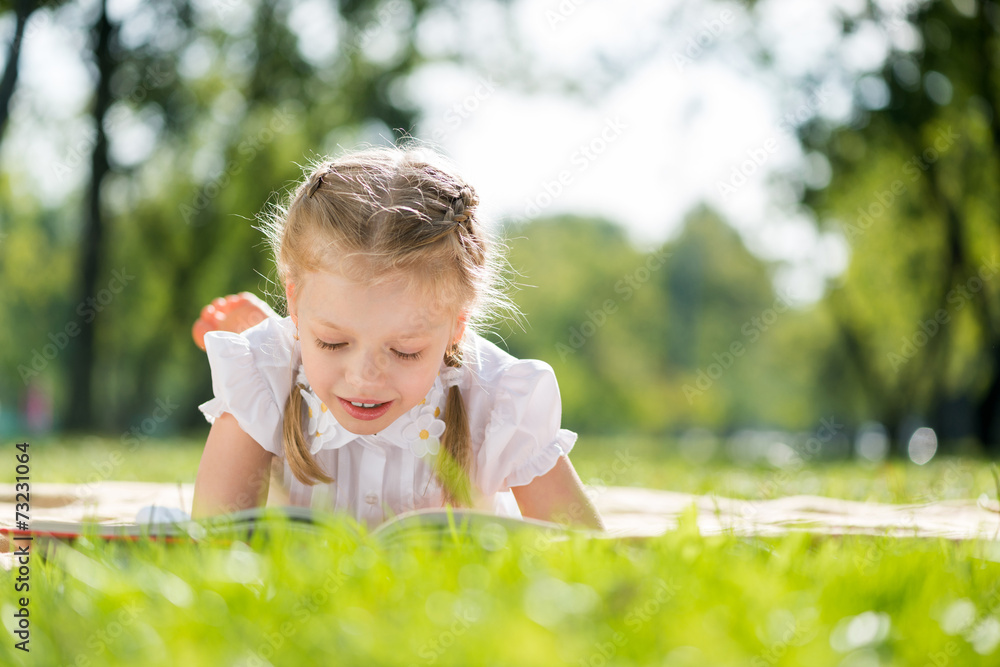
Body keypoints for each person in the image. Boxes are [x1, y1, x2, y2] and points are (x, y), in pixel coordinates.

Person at [191, 145, 603, 531]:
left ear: (458, 325)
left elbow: (584, 551)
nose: (364, 378)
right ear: (295, 302)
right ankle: (264, 332)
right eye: (333, 342)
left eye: (405, 350)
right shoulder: (260, 378)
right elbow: (213, 540)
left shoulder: (500, 399)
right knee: (270, 354)